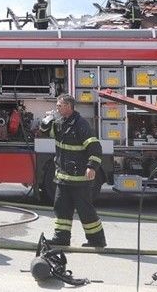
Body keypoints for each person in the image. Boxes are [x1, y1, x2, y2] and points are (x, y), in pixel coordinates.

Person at [39, 93, 106, 248]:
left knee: (85, 211)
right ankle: (61, 238)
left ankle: (97, 240)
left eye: (59, 106)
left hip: (79, 180)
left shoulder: (81, 125)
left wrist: (91, 167)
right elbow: (43, 132)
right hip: (63, 178)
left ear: (68, 106)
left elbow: (95, 148)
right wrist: (46, 121)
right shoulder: (59, 123)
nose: (57, 108)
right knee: (61, 209)